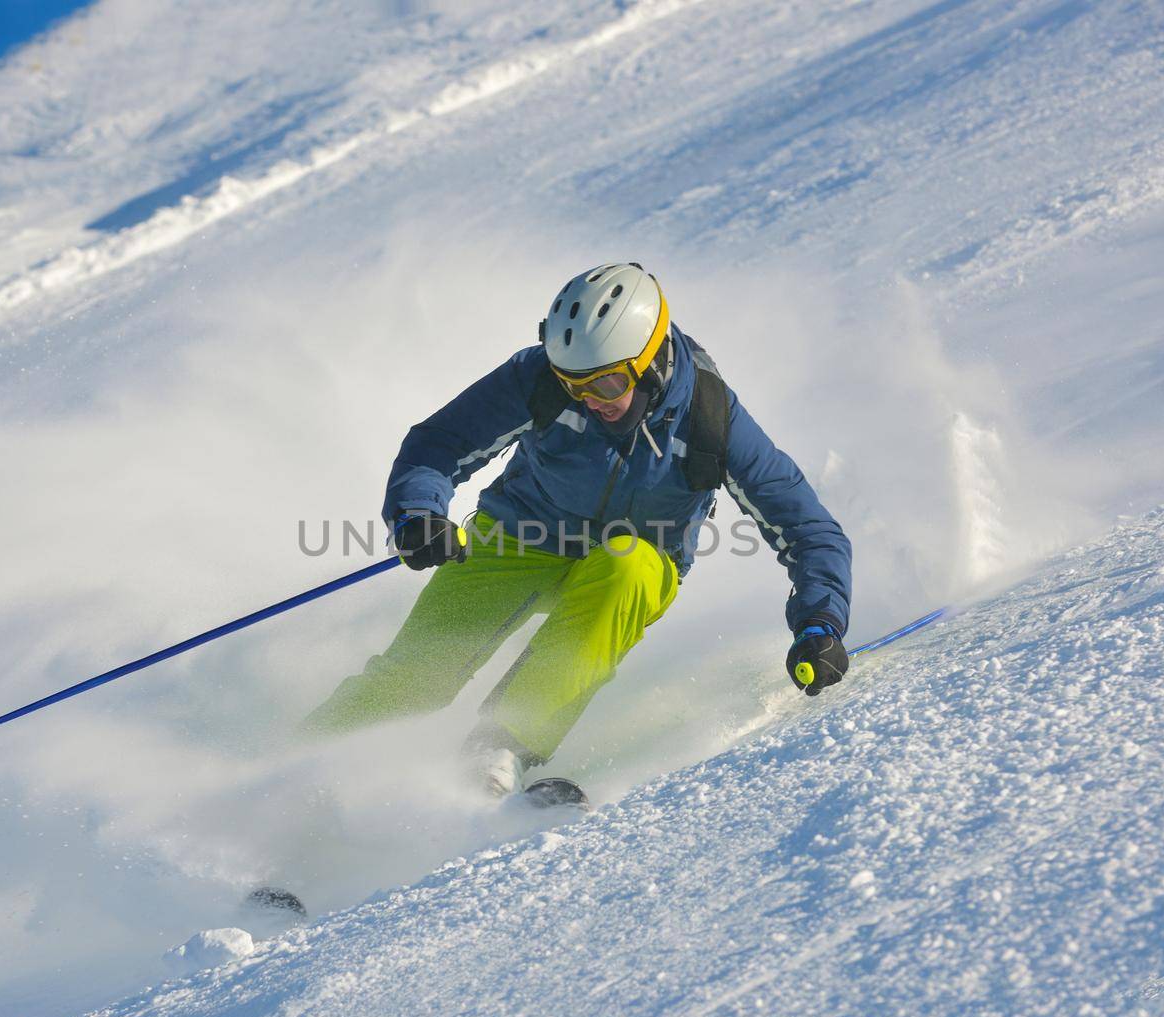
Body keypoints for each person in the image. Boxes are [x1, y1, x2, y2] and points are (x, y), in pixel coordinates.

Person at [303, 263, 852, 799]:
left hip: (631, 564)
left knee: (626, 564)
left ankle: (501, 748)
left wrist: (820, 623)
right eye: (573, 382)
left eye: (607, 383)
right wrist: (418, 513)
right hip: (522, 535)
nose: (590, 399)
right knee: (412, 679)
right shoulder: (541, 381)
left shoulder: (711, 420)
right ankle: (298, 769)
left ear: (652, 363)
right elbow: (438, 443)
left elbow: (808, 529)